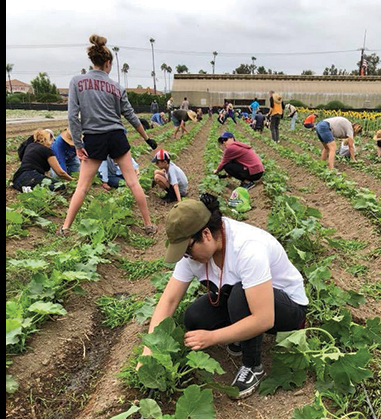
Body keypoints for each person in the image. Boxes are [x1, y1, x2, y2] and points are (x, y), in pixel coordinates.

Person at [141, 194, 309, 398]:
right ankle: (240, 333)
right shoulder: (193, 251)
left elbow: (264, 318)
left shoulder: (248, 248)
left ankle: (253, 365)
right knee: (194, 317)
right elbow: (169, 301)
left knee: (240, 295)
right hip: (243, 298)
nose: (187, 257)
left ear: (206, 234)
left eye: (187, 250)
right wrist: (148, 350)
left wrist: (212, 337)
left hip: (286, 309)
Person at [59, 34, 159, 235]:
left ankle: (65, 227)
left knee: (83, 187)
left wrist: (78, 144)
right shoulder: (117, 87)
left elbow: (72, 116)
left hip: (94, 138)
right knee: (132, 181)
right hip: (116, 135)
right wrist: (147, 138)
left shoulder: (77, 82)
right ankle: (148, 225)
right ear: (108, 63)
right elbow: (131, 116)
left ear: (93, 60)